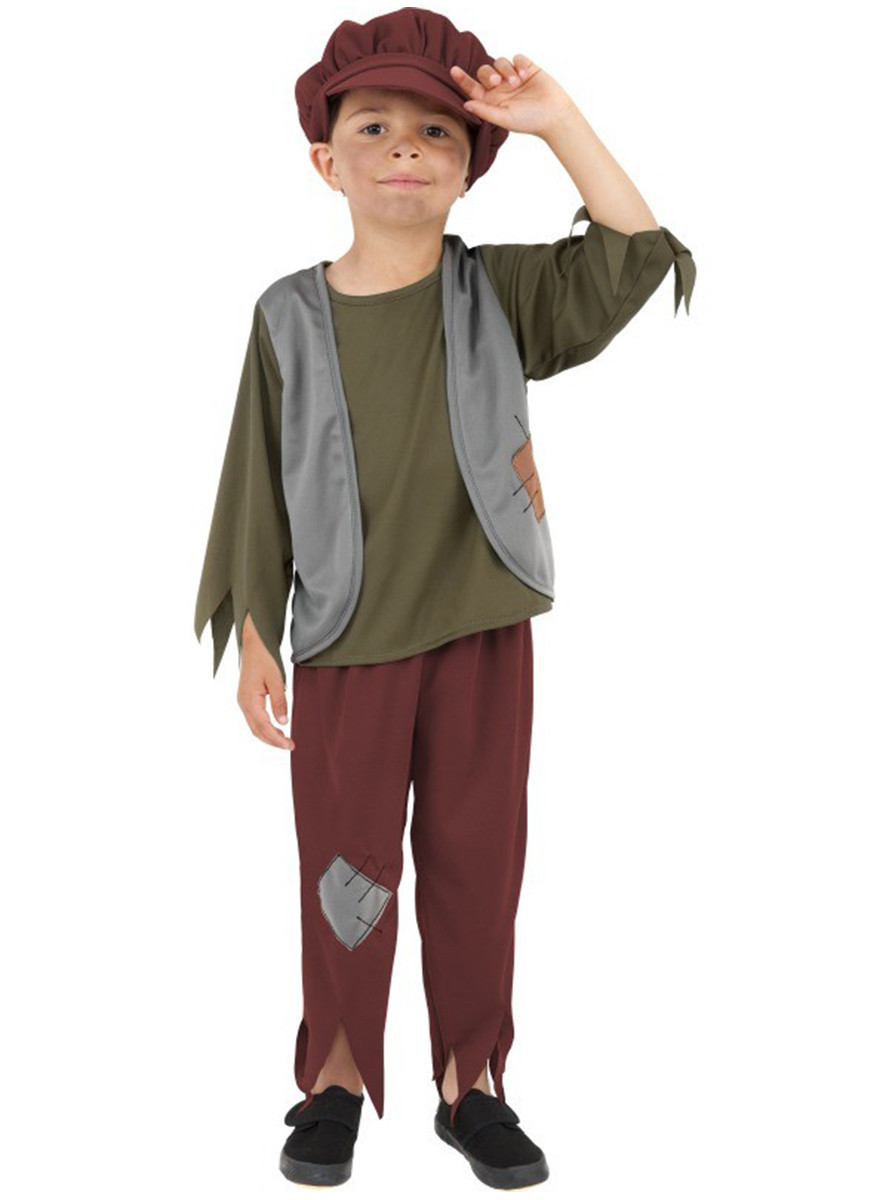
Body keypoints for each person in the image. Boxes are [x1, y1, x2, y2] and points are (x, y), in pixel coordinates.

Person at [193, 6, 696, 1189]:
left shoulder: (499, 293)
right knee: (347, 865)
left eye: (436, 132)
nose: (405, 149)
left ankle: (474, 1086)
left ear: (469, 169)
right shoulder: (286, 315)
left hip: (481, 625)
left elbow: (632, 250)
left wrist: (557, 121)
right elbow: (255, 474)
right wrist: (257, 628)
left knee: (477, 862)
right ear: (326, 162)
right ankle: (334, 1078)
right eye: (374, 127)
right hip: (345, 636)